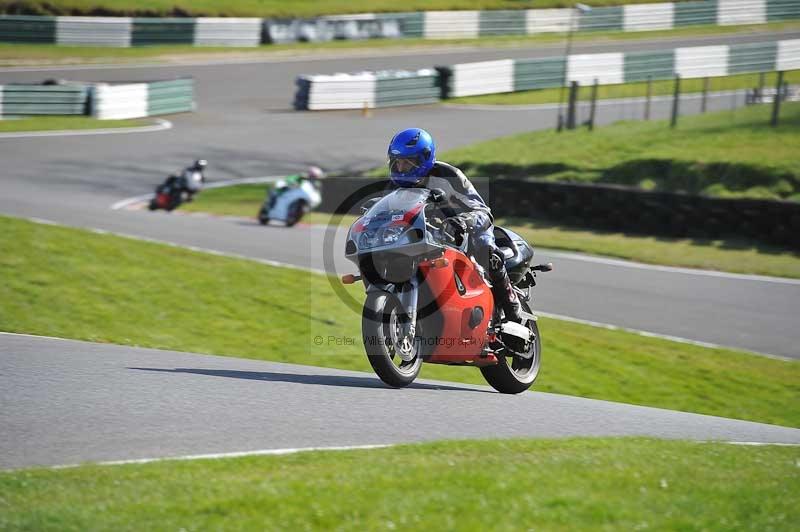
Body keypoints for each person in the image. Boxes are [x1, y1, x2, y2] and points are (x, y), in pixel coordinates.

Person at [386, 127, 522, 322]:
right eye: (397, 162)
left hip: (464, 231)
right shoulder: (394, 185)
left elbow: (482, 211)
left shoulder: (448, 175)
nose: (400, 168)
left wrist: (463, 221)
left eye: (407, 163)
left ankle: (511, 303)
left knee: (486, 250)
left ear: (424, 158)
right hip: (426, 238)